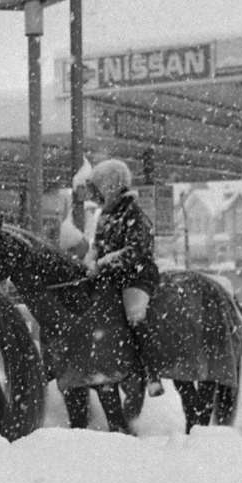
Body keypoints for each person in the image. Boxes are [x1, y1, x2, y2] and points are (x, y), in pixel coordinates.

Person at [85, 158, 164, 397]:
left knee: (135, 316)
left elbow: (135, 252)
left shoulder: (135, 215)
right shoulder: (106, 216)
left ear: (110, 186)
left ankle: (152, 372)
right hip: (111, 278)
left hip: (136, 278)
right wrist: (89, 263)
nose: (96, 195)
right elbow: (96, 247)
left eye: (99, 189)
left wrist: (103, 264)